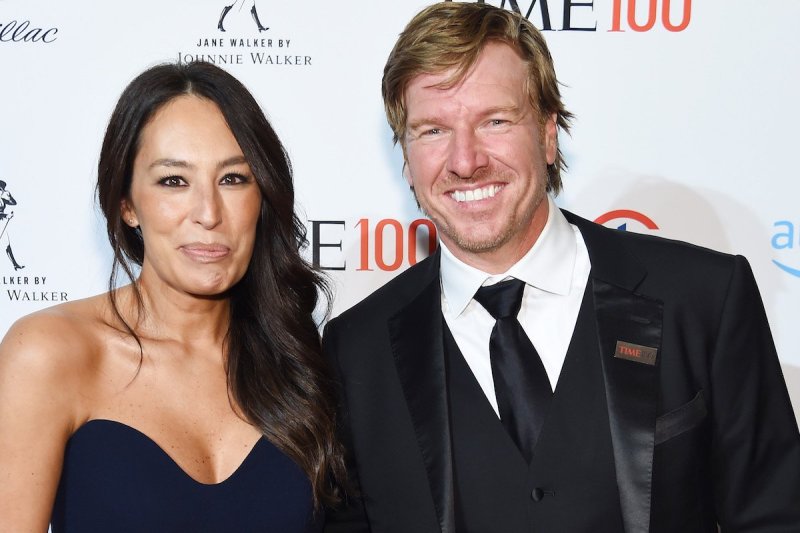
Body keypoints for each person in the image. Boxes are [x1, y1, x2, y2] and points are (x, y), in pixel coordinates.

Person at [323, 3, 800, 532]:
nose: (465, 160)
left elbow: (773, 516)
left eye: (495, 121)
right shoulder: (354, 353)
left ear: (549, 134)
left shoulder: (703, 300)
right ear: (406, 157)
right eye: (432, 131)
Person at [0, 61, 345, 531]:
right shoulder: (49, 353)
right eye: (173, 181)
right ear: (127, 204)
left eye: (233, 179)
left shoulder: (299, 360)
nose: (207, 212)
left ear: (262, 198)